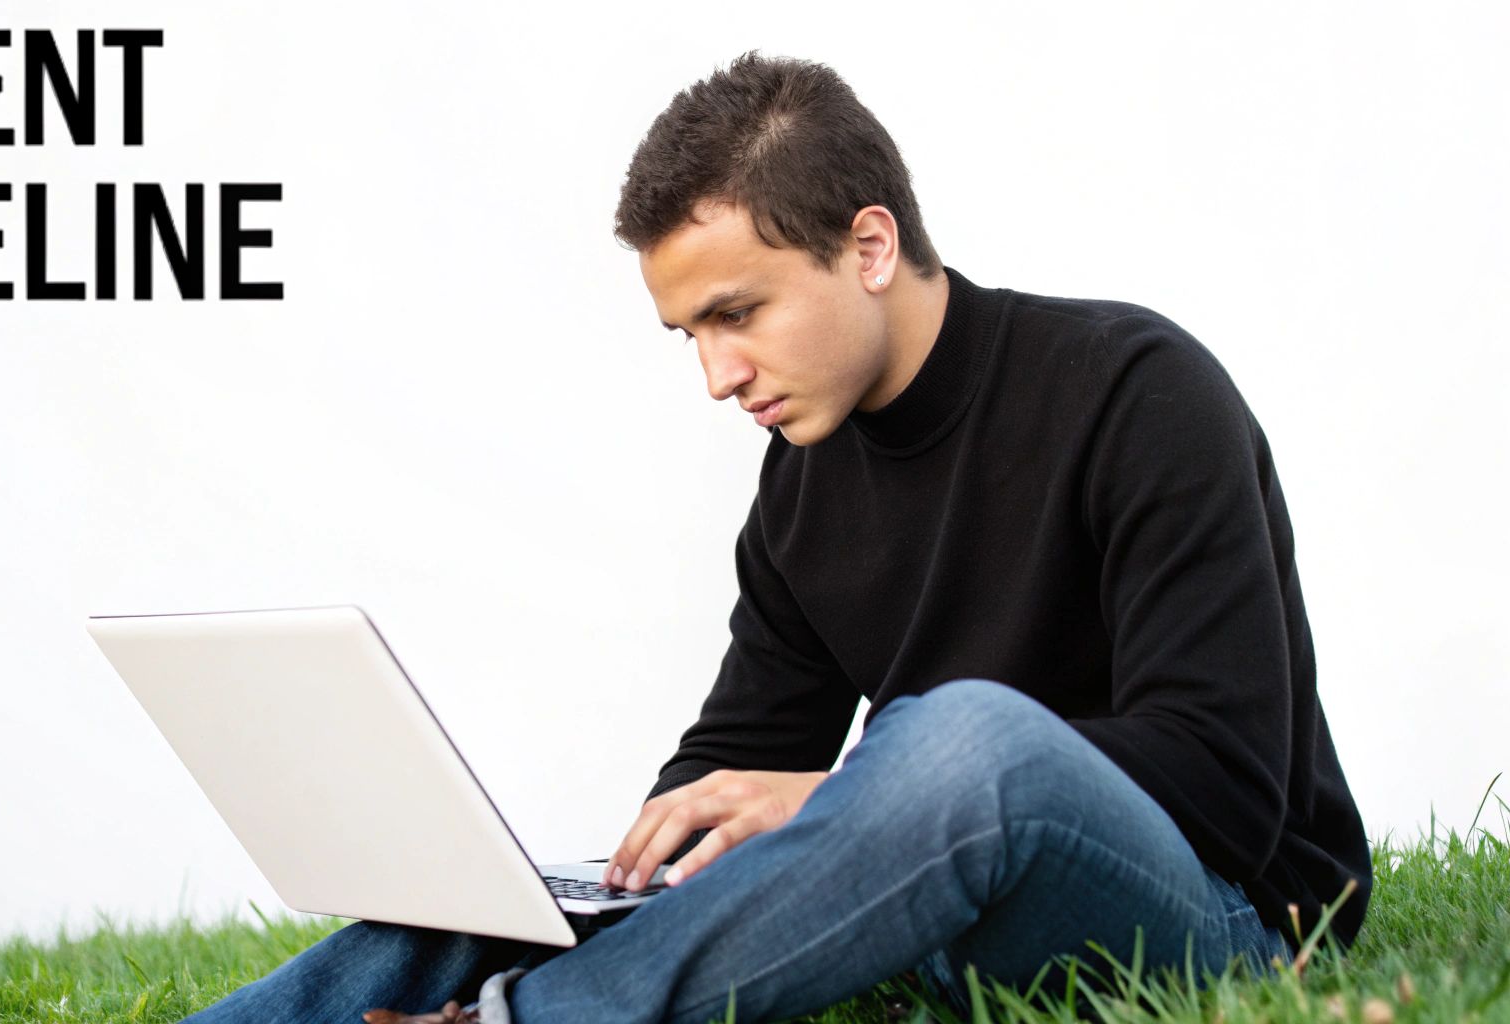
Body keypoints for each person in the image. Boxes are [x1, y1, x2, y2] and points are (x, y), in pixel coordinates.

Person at [182, 50, 1373, 1024]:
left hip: (1221, 918)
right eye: (686, 334)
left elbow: (1223, 783)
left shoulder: (1137, 391)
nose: (714, 375)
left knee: (962, 739)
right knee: (503, 901)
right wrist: (615, 878)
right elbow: (730, 765)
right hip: (950, 911)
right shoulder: (801, 486)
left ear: (866, 247)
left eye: (734, 314)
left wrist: (832, 799)